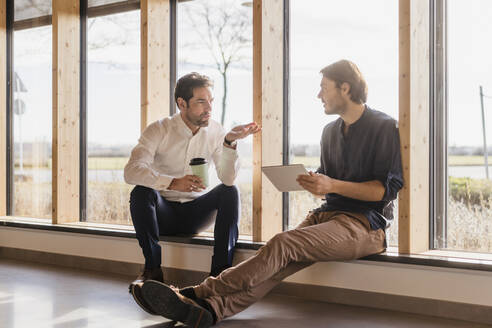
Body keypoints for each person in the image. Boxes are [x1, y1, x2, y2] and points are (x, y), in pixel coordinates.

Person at [133, 60, 404, 327]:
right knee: (277, 265)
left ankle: (196, 292)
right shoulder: (329, 132)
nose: (318, 94)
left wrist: (330, 185)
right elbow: (330, 177)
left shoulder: (383, 127)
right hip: (326, 215)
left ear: (345, 88)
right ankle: (210, 311)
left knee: (282, 244)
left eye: (324, 87)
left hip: (365, 225)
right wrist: (313, 181)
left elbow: (385, 191)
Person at [125, 72, 260, 314]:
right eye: (201, 102)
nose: (208, 108)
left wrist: (229, 142)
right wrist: (172, 182)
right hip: (163, 213)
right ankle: (152, 269)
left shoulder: (216, 131)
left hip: (196, 214)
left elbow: (227, 178)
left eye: (211, 101)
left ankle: (219, 276)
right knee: (141, 192)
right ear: (181, 103)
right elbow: (131, 171)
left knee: (230, 191)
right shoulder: (159, 129)